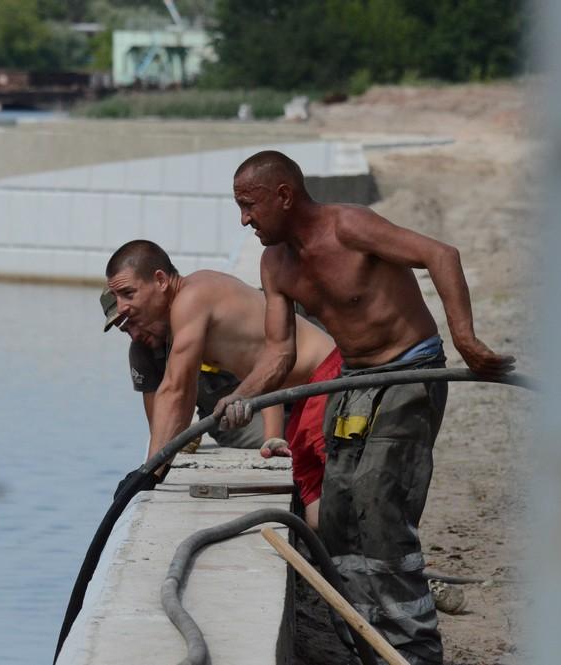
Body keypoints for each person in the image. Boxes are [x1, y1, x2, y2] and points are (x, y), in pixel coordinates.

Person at [217, 150, 515, 665]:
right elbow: (280, 352)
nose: (244, 219)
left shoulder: (349, 226)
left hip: (409, 371)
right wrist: (241, 394)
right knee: (336, 512)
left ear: (283, 196)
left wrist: (465, 340)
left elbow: (441, 254)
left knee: (380, 500)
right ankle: (367, 642)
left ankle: (414, 651)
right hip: (352, 381)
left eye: (249, 205)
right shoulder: (275, 264)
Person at [105, 241, 338, 521]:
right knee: (314, 508)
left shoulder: (191, 298)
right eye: (116, 297)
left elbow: (175, 390)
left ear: (160, 280)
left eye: (128, 294)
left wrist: (149, 472)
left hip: (327, 379)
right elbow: (184, 396)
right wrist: (155, 469)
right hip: (305, 394)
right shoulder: (183, 310)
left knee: (338, 492)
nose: (122, 307)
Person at [99, 287, 274, 453]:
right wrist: (177, 438)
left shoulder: (208, 311)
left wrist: (273, 440)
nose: (135, 334)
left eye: (133, 320)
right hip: (236, 419)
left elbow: (271, 361)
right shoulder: (143, 350)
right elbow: (158, 427)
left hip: (274, 385)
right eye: (125, 329)